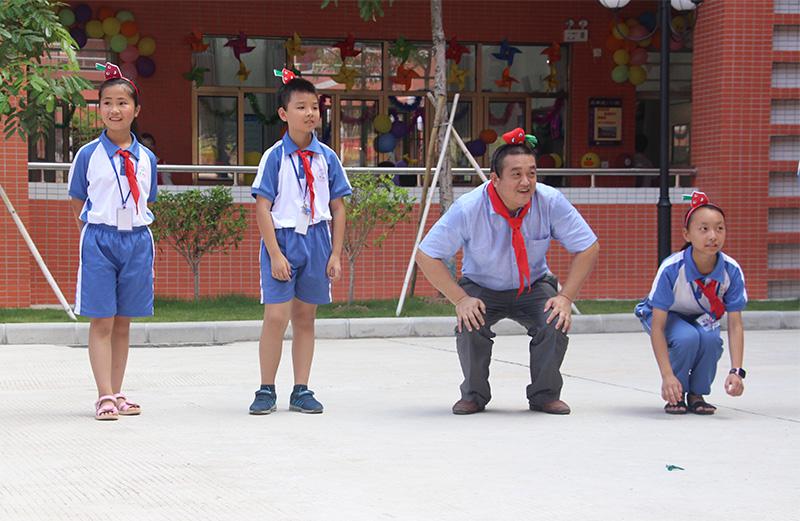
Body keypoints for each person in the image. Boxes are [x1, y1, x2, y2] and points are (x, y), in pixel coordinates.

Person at [415, 128, 600, 415]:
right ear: (495, 179)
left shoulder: (549, 201)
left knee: (554, 319)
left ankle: (544, 395)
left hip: (533, 285)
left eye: (532, 173)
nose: (526, 182)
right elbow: (426, 254)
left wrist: (566, 297)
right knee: (470, 322)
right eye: (516, 174)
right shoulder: (469, 208)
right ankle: (474, 395)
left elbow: (588, 246)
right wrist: (460, 299)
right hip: (482, 286)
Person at [248, 69, 351, 415]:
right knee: (276, 316)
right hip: (283, 240)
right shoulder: (275, 156)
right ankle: (266, 389)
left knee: (305, 317)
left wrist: (335, 253)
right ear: (283, 113)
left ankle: (301, 390)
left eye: (314, 107)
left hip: (318, 240)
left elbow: (338, 207)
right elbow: (262, 207)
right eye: (301, 106)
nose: (310, 113)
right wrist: (275, 254)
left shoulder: (328, 157)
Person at [68, 63, 158, 420]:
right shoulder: (87, 154)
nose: (114, 109)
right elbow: (78, 198)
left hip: (136, 240)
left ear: (136, 110)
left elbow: (147, 200)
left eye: (122, 103)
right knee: (102, 320)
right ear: (99, 108)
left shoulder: (147, 157)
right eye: (107, 102)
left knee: (123, 321)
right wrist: (91, 232)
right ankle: (103, 395)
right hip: (99, 240)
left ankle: (118, 391)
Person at [635, 191, 747, 415]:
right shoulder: (672, 268)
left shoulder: (731, 270)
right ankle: (676, 393)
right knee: (686, 338)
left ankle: (697, 394)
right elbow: (658, 326)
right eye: (704, 229)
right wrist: (667, 375)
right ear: (687, 234)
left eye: (719, 228)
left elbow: (735, 325)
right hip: (665, 315)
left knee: (711, 338)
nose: (713, 236)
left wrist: (737, 371)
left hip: (699, 316)